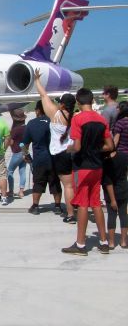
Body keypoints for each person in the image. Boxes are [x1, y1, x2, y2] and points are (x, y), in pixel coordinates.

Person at [61, 88, 115, 256]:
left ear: (78, 102)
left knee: (83, 204)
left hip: (82, 166)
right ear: (92, 101)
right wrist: (95, 148)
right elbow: (110, 145)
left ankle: (81, 244)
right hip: (97, 166)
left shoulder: (78, 119)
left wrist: (68, 149)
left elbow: (77, 146)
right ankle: (104, 242)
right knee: (96, 203)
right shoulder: (101, 119)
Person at [34, 69, 77, 222]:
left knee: (67, 186)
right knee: (72, 185)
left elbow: (43, 95)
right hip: (72, 152)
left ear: (63, 104)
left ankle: (71, 214)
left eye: (59, 102)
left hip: (60, 154)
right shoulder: (75, 116)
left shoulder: (56, 114)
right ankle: (75, 208)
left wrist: (37, 80)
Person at [23, 101, 62, 216]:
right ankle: (58, 206)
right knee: (55, 182)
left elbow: (24, 144)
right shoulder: (54, 122)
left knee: (38, 182)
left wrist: (26, 155)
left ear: (38, 110)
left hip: (39, 158)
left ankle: (35, 206)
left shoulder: (31, 123)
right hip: (54, 157)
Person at [103, 151, 128, 249]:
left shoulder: (106, 161)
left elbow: (108, 182)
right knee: (123, 215)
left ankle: (111, 242)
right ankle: (123, 241)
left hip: (111, 193)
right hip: (123, 189)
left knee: (112, 215)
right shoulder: (123, 156)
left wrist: (113, 200)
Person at [7, 108, 27, 198]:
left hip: (17, 151)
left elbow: (11, 142)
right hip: (24, 150)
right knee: (22, 171)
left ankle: (11, 191)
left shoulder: (15, 130)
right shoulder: (26, 127)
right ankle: (21, 191)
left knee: (10, 171)